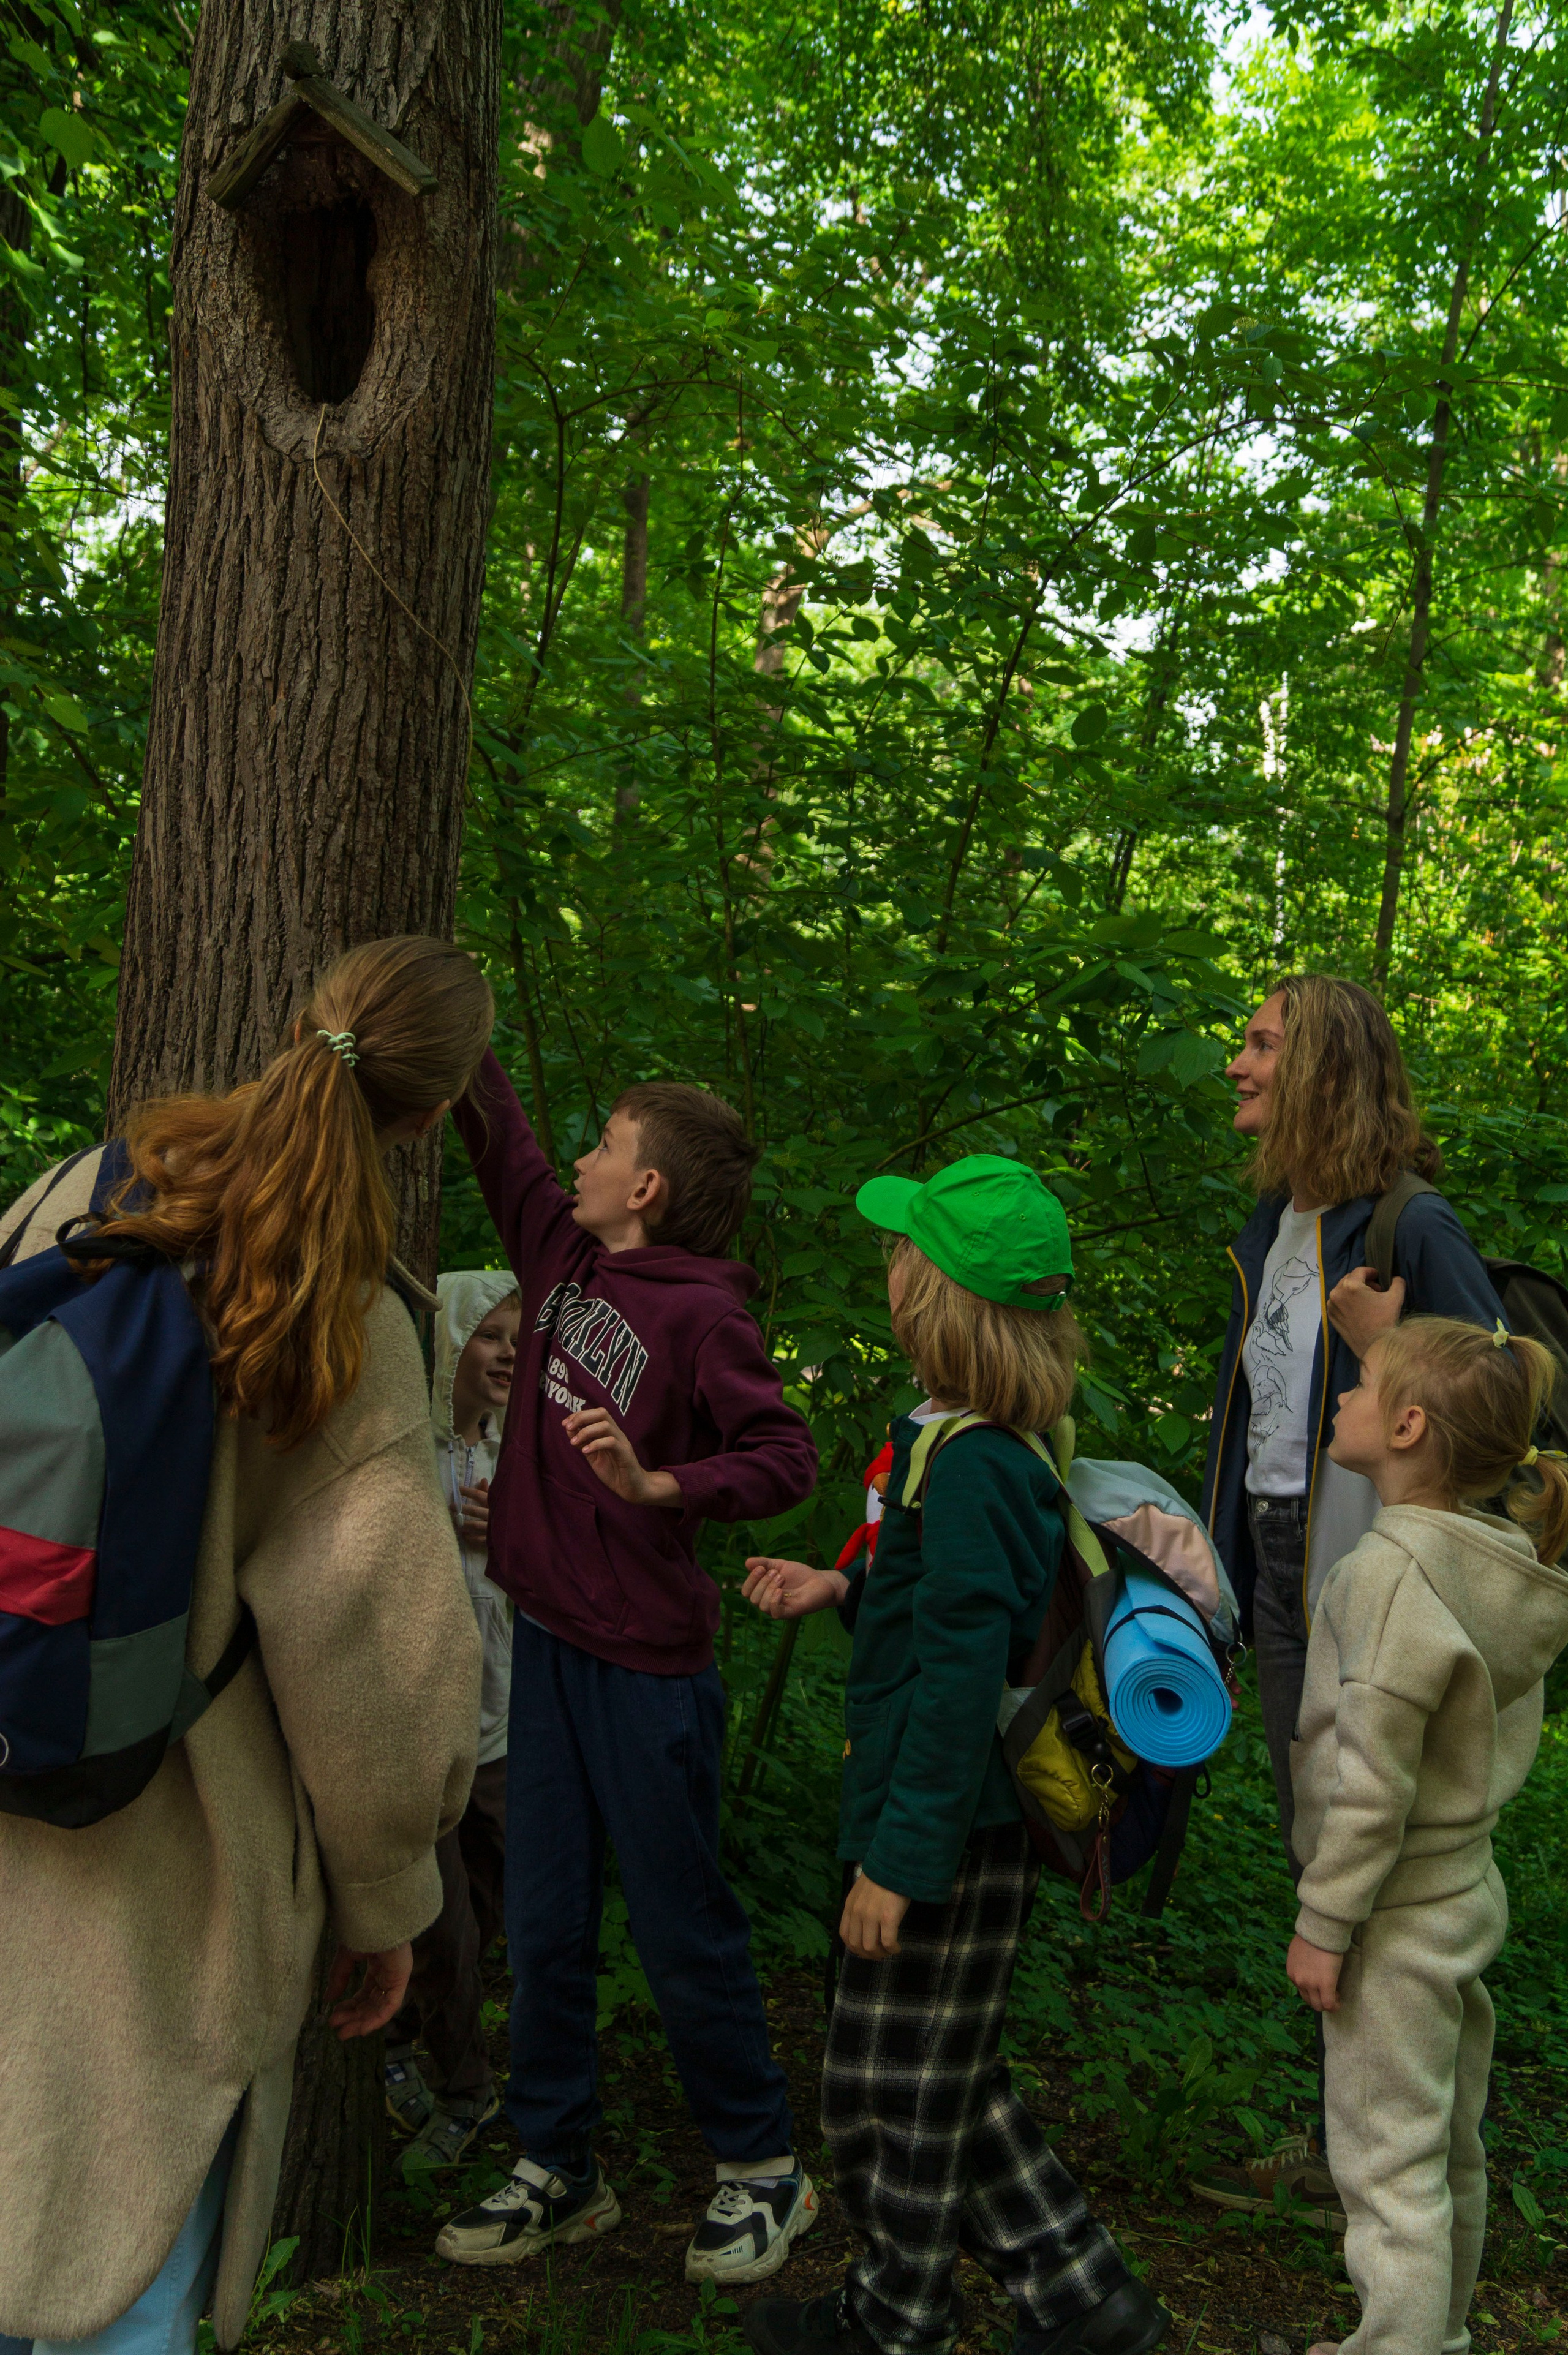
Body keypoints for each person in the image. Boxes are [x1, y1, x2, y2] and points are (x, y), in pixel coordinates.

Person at [0, 936, 492, 2355]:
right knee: (121, 2280)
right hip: (169, 1871)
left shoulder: (77, 1197)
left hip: (7, 1777)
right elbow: (379, 1677)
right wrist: (388, 1903)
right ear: (428, 1117)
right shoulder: (342, 1319)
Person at [739, 1156, 1168, 2355]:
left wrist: (899, 1861)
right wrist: (844, 1585)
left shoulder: (977, 1462)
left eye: (905, 1253)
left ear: (938, 1300)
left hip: (945, 1829)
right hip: (936, 1818)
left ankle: (899, 2323)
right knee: (940, 2076)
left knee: (894, 2097)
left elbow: (959, 1676)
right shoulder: (966, 1444)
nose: (888, 1266)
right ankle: (1084, 2301)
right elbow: (944, 1604)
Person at [434, 1054, 820, 2284]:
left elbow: (782, 1453)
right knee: (544, 1922)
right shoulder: (562, 1261)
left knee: (676, 1922)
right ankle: (558, 2165)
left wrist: (662, 1485)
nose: (581, 1159)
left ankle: (763, 2167)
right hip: (548, 1649)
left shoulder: (704, 1316)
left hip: (647, 1672)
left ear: (645, 1186)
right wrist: (456, 1028)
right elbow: (502, 1144)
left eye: (603, 1145)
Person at [1193, 974, 1504, 2222]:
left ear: (1323, 1067)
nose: (1236, 1063)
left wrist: (1382, 1347)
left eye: (1262, 1042)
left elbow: (1498, 1417)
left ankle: (1387, 2154)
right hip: (1282, 1565)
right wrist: (1218, 1569)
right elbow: (1256, 1419)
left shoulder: (1410, 1231)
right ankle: (1360, 2134)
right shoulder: (1275, 1222)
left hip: (1372, 1581)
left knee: (1381, 1857)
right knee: (1322, 1846)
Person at [1286, 1317, 1568, 2355]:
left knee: (1386, 2162)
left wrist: (1326, 1920)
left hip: (1394, 1915)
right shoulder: (1492, 1565)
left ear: (1407, 1426)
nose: (1343, 1399)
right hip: (1461, 1892)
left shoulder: (1388, 1573)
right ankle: (1436, 2335)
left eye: (1361, 1383)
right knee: (1446, 2146)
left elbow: (1372, 1784)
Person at [386, 1272, 522, 2172]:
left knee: (492, 1903)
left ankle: (404, 2037)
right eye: (490, 1336)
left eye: (517, 1338)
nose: (509, 1354)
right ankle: (467, 2088)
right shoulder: (410, 1455)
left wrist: (508, 1540)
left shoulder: (518, 1457)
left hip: (503, 1725)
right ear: (450, 1346)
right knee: (443, 1924)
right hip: (422, 1729)